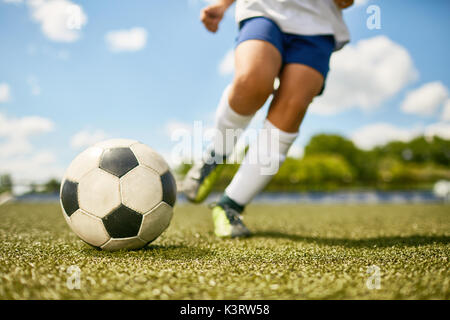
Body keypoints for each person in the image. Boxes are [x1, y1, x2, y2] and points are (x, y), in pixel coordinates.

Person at [183, 0, 353, 237]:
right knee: (252, 81)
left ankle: (230, 205)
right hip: (263, 8)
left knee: (292, 108)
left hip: (317, 23)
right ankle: (214, 158)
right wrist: (222, 5)